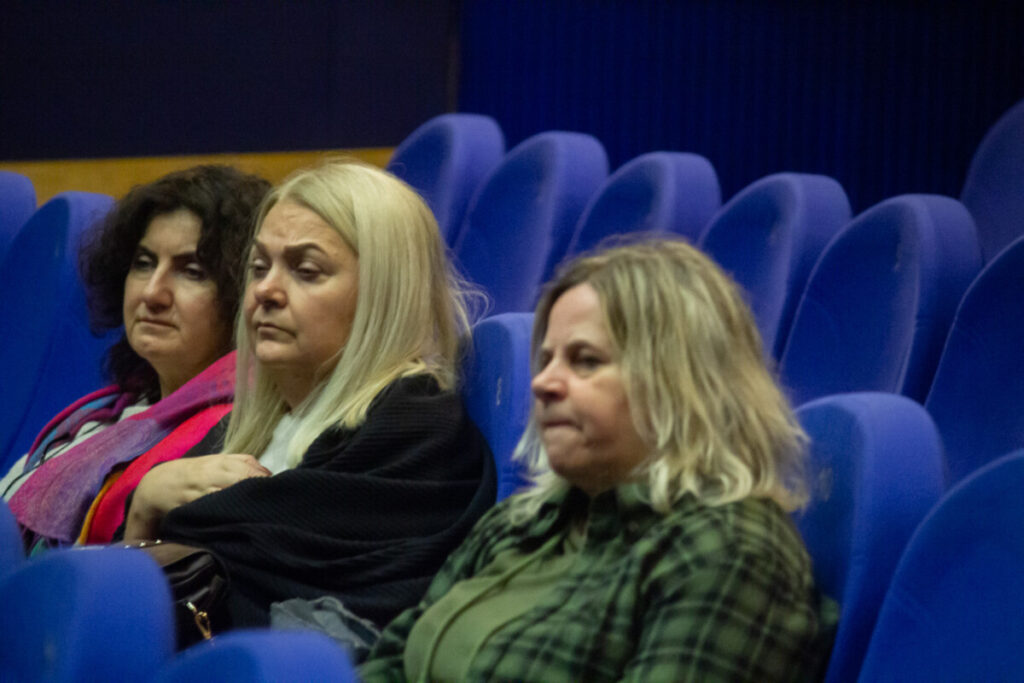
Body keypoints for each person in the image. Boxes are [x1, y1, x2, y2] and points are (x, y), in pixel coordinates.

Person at [359, 237, 838, 682]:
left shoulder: (728, 552)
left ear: (681, 384)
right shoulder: (521, 521)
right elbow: (392, 659)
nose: (543, 382)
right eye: (547, 359)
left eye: (585, 360)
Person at [119, 160, 496, 640]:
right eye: (259, 267)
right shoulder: (240, 430)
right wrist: (143, 507)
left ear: (382, 293)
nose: (265, 291)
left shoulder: (415, 434)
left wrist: (155, 523)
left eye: (306, 271)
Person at [2, 165, 270, 551]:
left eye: (192, 272)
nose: (152, 293)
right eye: (144, 264)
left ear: (243, 293)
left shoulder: (238, 433)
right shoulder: (102, 412)